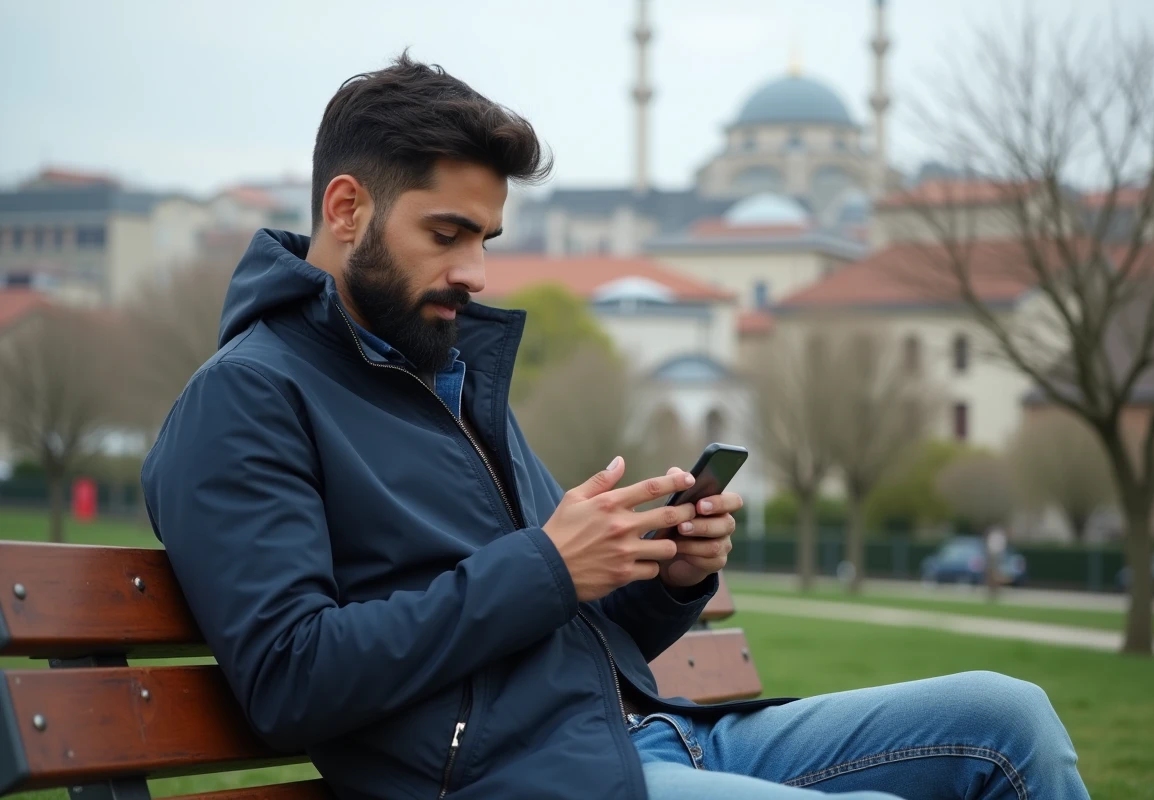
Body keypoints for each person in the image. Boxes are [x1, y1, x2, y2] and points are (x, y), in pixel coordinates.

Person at [140, 53, 1091, 800]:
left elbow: (558, 622)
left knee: (1009, 719)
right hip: (530, 780)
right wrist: (548, 565)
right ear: (346, 208)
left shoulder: (444, 374)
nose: (476, 272)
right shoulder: (246, 399)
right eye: (446, 233)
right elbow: (290, 679)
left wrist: (671, 580)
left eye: (485, 239)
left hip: (646, 734)